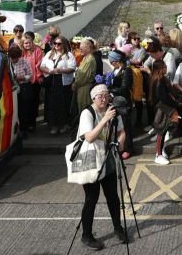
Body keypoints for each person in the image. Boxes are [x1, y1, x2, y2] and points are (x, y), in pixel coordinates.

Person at [77, 84, 127, 250]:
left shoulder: (113, 111)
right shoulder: (88, 113)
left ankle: (118, 229)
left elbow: (121, 131)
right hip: (89, 160)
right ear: (93, 98)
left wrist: (120, 142)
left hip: (108, 158)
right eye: (100, 96)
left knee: (113, 196)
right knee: (91, 198)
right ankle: (86, 235)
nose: (104, 99)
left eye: (106, 95)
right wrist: (105, 119)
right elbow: (89, 137)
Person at [40, 37, 75, 135]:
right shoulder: (49, 54)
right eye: (55, 43)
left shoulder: (68, 55)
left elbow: (72, 68)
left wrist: (60, 70)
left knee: (63, 104)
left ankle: (64, 124)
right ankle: (54, 125)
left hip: (63, 82)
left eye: (59, 44)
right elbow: (42, 66)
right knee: (52, 104)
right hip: (52, 80)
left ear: (63, 44)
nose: (56, 45)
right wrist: (49, 71)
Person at [106, 50, 134, 158]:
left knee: (126, 126)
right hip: (117, 101)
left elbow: (125, 88)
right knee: (119, 126)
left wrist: (111, 89)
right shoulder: (117, 69)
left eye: (112, 62)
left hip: (124, 102)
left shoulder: (127, 71)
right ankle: (120, 146)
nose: (111, 64)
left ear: (117, 61)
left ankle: (128, 148)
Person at [149, 60, 175, 165]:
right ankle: (158, 155)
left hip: (161, 107)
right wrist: (175, 104)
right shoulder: (159, 80)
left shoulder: (158, 79)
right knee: (161, 131)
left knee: (163, 130)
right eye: (164, 66)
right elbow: (163, 97)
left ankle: (161, 151)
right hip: (162, 108)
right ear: (159, 68)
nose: (166, 68)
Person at [74, 38, 98, 113]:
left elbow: (83, 77)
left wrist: (75, 84)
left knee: (83, 109)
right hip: (82, 87)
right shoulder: (86, 58)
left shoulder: (89, 60)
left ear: (88, 48)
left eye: (81, 49)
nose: (80, 50)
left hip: (84, 88)